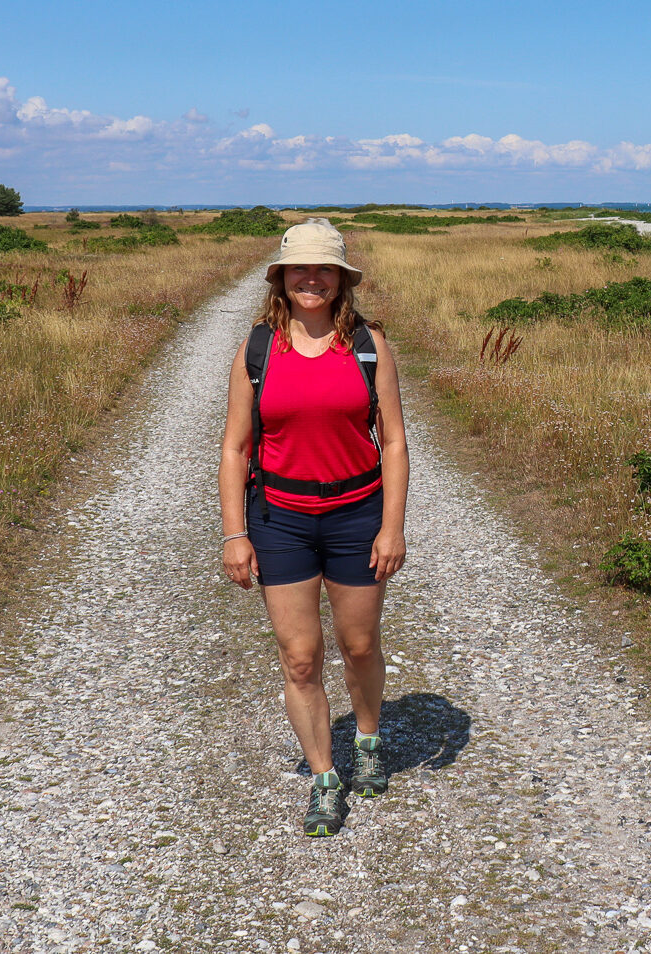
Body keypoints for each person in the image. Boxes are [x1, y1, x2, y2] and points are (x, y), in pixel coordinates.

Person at [218, 219, 408, 837]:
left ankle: (370, 737)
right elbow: (235, 448)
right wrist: (234, 533)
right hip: (281, 519)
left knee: (358, 646)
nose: (311, 279)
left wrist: (392, 527)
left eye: (323, 269)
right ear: (279, 277)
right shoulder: (256, 349)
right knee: (300, 659)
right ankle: (326, 780)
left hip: (356, 514)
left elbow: (396, 442)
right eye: (299, 269)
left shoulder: (368, 344)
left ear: (341, 280)